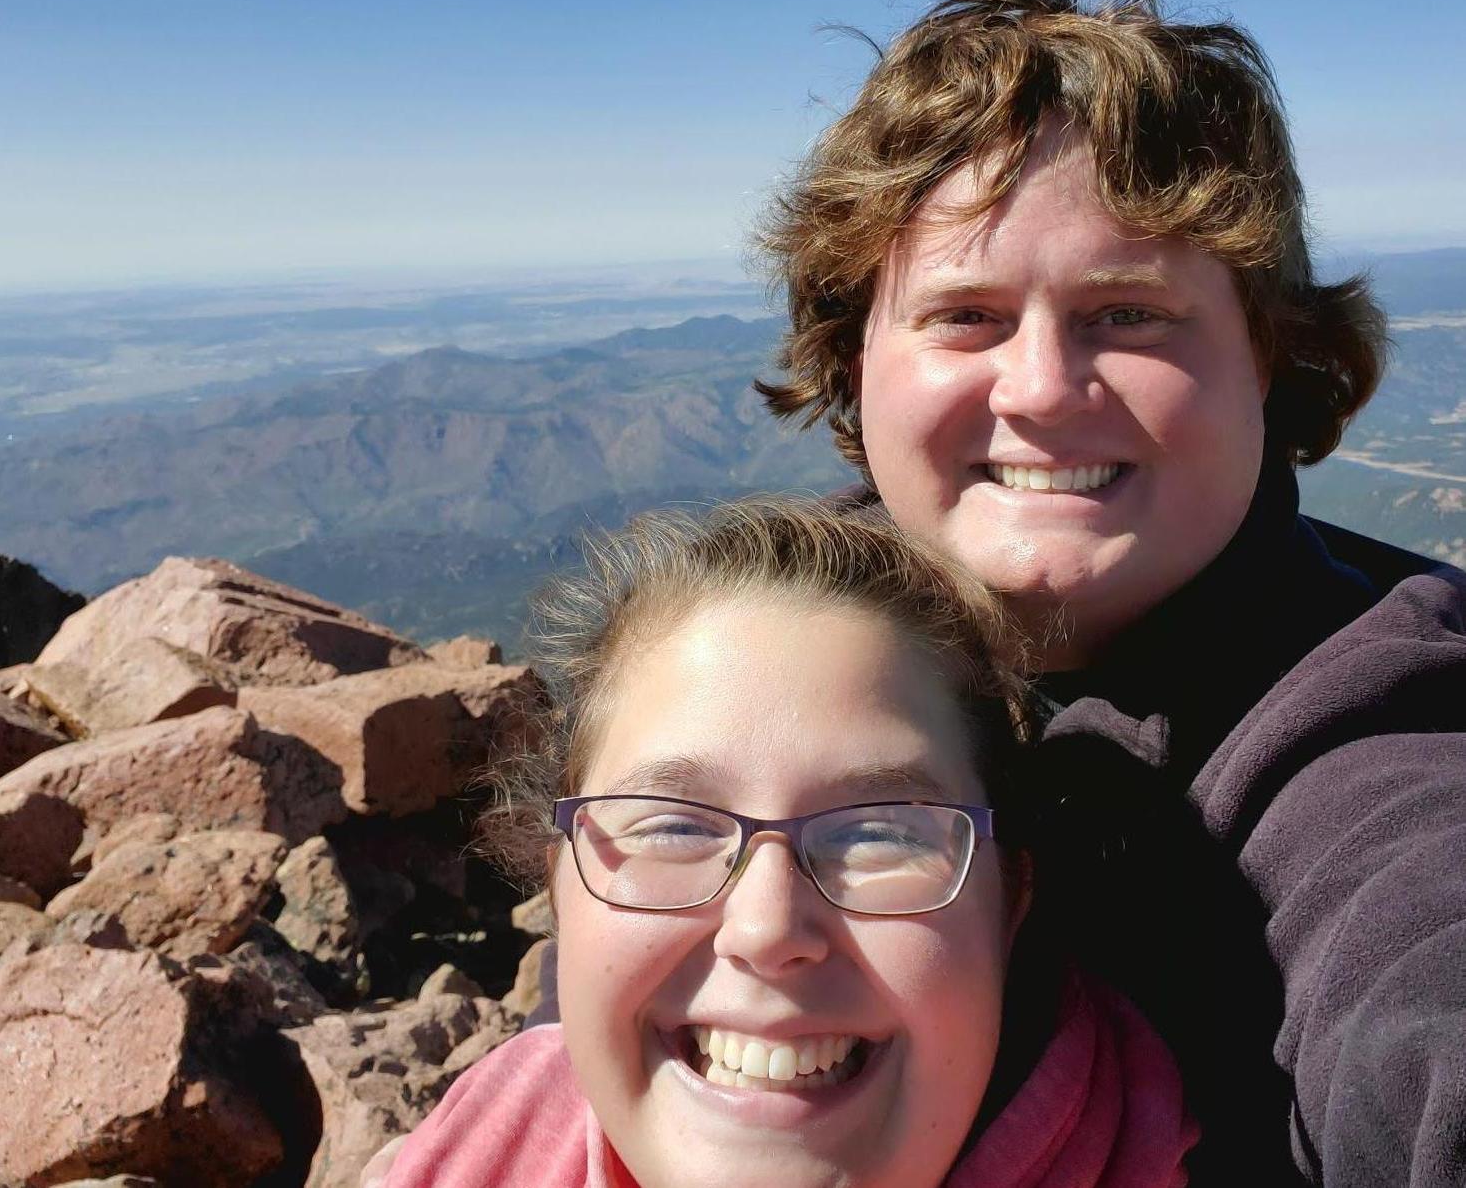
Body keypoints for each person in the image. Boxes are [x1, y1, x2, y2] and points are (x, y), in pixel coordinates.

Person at [754, 0, 1466, 1185]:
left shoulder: (1374, 737)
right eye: (964, 315)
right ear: (854, 362)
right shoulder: (764, 646)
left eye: (1128, 313)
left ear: (1269, 358)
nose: (1038, 390)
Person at [381, 497, 1195, 1187]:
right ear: (562, 884)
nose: (767, 929)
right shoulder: (475, 1142)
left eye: (880, 832)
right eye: (671, 824)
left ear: (1009, 903)